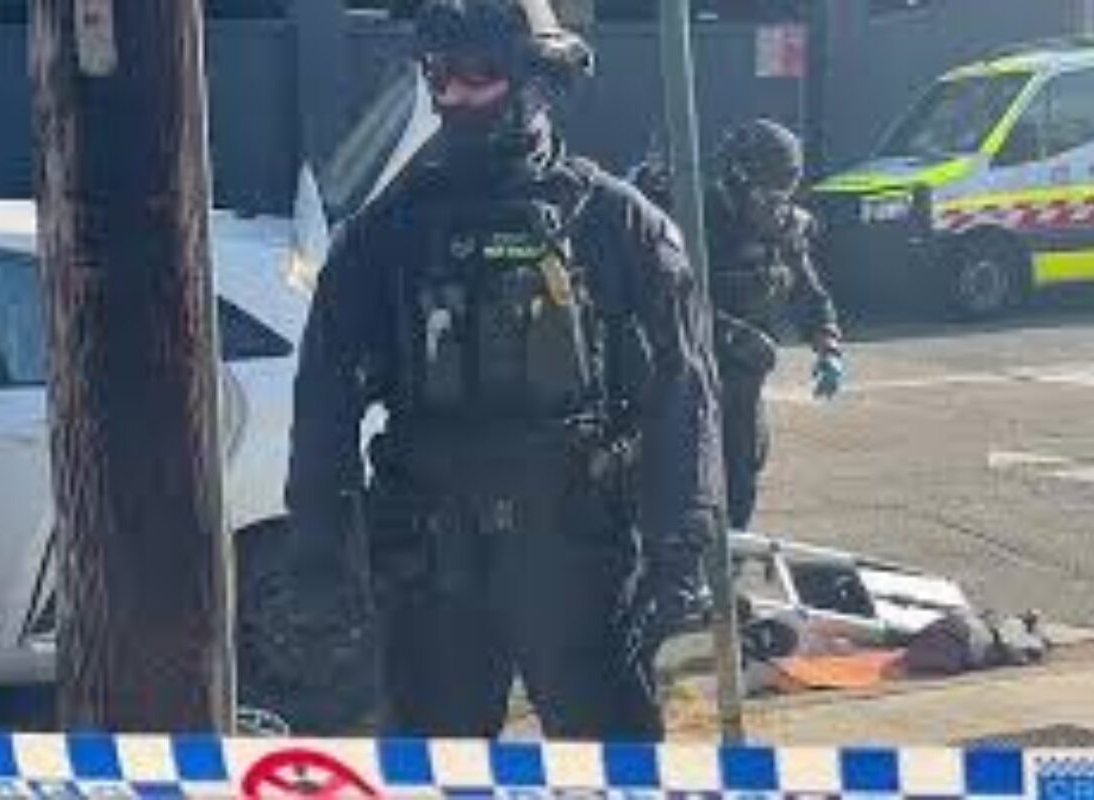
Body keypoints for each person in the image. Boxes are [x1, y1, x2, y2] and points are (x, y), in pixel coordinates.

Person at [286, 0, 726, 740]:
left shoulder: (616, 224)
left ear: (535, 78)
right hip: (432, 565)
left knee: (612, 771)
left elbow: (684, 391)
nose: (454, 95)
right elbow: (323, 405)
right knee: (433, 772)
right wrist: (318, 559)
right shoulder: (384, 234)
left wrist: (681, 543)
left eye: (478, 72)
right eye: (438, 75)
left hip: (575, 557)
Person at [704, 118, 845, 531]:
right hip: (693, 381)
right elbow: (676, 302)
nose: (776, 205)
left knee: (742, 473)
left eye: (784, 194)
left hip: (744, 386)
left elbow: (808, 291)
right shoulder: (701, 224)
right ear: (738, 181)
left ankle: (731, 561)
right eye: (767, 193)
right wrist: (732, 336)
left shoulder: (785, 228)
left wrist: (827, 343)